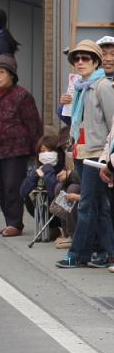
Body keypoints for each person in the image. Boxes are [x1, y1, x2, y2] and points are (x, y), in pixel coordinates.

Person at [58, 40, 114, 268]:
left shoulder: (102, 86)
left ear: (95, 61)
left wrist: (107, 156)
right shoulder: (80, 86)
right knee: (99, 204)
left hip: (96, 153)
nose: (80, 62)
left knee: (87, 204)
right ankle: (107, 252)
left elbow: (113, 122)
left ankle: (78, 254)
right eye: (76, 59)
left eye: (86, 58)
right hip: (81, 152)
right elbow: (73, 121)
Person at [0, 54, 43, 238]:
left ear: (11, 75)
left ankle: (14, 223)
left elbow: (34, 124)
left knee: (12, 187)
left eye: (1, 72)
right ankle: (9, 222)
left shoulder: (22, 95)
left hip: (17, 150)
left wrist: (38, 151)